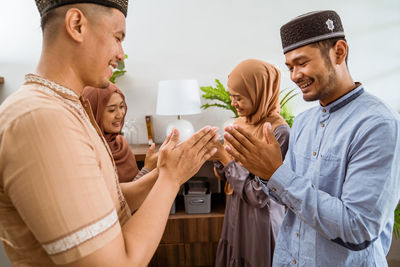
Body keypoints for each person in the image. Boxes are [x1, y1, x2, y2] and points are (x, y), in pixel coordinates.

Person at [0, 1, 218, 266]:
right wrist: (170, 180)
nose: (121, 54)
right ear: (77, 25)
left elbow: (105, 203)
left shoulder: (67, 106)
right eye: (118, 38)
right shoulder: (40, 117)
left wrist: (165, 171)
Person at [223, 10, 400, 266]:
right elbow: (286, 196)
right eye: (290, 67)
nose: (294, 76)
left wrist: (275, 173)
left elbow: (358, 228)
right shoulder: (304, 122)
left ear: (339, 52)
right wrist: (262, 171)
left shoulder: (377, 124)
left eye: (302, 63)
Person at [211, 59, 289, 267]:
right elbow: (227, 175)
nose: (233, 104)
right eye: (231, 97)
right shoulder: (240, 123)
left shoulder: (277, 133)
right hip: (235, 213)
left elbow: (258, 195)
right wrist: (218, 157)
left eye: (239, 98)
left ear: (259, 93)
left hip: (259, 223)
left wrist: (226, 160)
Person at [82, 83, 157, 183]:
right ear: (94, 111)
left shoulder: (120, 143)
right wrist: (147, 169)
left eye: (122, 107)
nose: (120, 115)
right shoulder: (88, 149)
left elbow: (135, 186)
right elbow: (117, 196)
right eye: (112, 110)